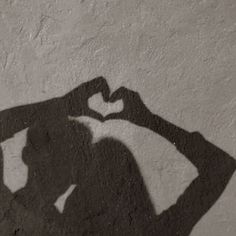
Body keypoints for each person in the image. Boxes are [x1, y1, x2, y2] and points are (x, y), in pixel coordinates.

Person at [0, 77, 235, 235]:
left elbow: (220, 166)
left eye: (73, 164)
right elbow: (219, 166)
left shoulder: (25, 221)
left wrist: (61, 105)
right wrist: (149, 120)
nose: (68, 174)